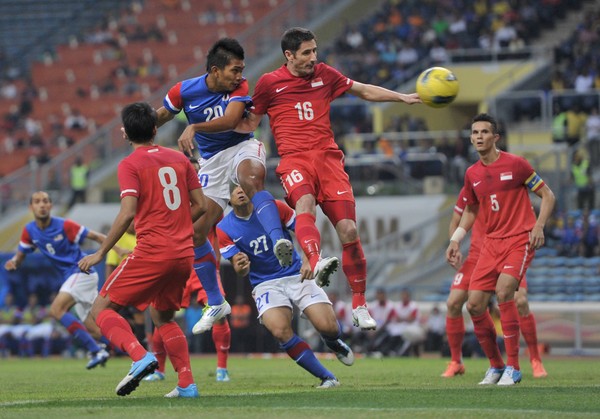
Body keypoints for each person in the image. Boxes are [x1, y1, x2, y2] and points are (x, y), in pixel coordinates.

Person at [235, 27, 421, 331]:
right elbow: (249, 123)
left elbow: (362, 89)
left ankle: (360, 304)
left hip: (328, 159)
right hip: (294, 159)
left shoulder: (325, 74)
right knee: (304, 203)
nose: (313, 58)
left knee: (348, 230)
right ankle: (315, 258)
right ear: (289, 55)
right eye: (306, 52)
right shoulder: (269, 83)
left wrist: (401, 98)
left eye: (314, 51)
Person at [156, 38, 294, 333]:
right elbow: (163, 115)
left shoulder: (240, 89)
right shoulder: (183, 91)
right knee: (195, 231)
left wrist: (193, 126)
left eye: (242, 70)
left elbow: (232, 120)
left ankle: (277, 239)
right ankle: (216, 301)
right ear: (216, 71)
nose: (240, 76)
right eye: (234, 70)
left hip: (242, 146)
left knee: (251, 179)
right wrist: (139, 127)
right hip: (211, 162)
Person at [78, 102, 206, 398]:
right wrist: (178, 226)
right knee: (163, 318)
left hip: (151, 252)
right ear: (155, 128)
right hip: (183, 254)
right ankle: (186, 383)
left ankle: (139, 356)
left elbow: (126, 213)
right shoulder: (179, 159)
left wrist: (100, 252)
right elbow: (201, 205)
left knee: (101, 310)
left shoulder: (130, 164)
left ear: (125, 133)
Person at [446, 113, 555, 386]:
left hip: (518, 239)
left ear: (496, 137)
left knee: (506, 292)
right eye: (475, 132)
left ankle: (515, 368)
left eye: (484, 132)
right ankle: (496, 366)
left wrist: (539, 226)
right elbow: (471, 211)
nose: (479, 137)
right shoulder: (472, 174)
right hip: (490, 245)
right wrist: (456, 239)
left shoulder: (516, 165)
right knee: (473, 305)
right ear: (471, 138)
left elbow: (548, 195)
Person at [216, 185, 354, 388]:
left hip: (295, 274)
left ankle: (333, 341)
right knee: (280, 331)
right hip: (264, 284)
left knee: (329, 327)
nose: (240, 190)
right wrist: (240, 266)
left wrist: (310, 258)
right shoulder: (224, 228)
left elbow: (304, 229)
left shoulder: (273, 208)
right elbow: (240, 269)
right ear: (228, 199)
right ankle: (327, 377)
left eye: (244, 186)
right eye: (234, 188)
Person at [442, 186, 548, 379]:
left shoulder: (511, 188)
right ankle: (457, 362)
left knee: (521, 301)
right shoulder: (472, 186)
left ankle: (535, 359)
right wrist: (454, 243)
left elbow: (530, 212)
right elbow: (456, 221)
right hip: (477, 257)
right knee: (454, 302)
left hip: (506, 252)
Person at [5, 191, 112, 369]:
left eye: (45, 201)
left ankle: (96, 350)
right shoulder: (29, 230)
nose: (42, 204)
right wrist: (14, 262)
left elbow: (98, 237)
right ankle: (135, 352)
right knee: (95, 329)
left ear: (51, 206)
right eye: (37, 202)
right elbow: (21, 255)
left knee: (56, 309)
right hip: (75, 278)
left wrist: (120, 249)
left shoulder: (65, 225)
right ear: (31, 207)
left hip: (81, 272)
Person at [145, 224, 232, 383]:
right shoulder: (174, 204)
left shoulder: (207, 202)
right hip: (179, 264)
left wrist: (216, 260)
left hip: (203, 265)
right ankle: (159, 370)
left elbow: (217, 229)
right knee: (162, 315)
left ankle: (222, 369)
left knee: (219, 314)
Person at [104, 221, 147, 348]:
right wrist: (108, 287)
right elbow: (110, 264)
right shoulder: (119, 238)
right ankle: (114, 347)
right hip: (122, 284)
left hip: (139, 284)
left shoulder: (142, 235)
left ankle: (141, 345)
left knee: (138, 316)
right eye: (131, 220)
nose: (134, 223)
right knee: (119, 317)